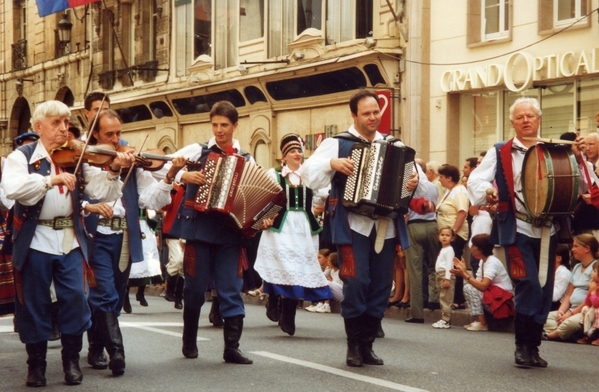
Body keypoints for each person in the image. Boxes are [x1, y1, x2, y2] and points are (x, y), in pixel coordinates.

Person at [1, 100, 131, 387]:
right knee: (34, 302)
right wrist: (50, 180)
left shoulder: (77, 155)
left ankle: (71, 361)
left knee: (76, 298)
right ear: (38, 127)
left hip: (70, 239)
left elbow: (103, 191)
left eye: (66, 123)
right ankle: (36, 365)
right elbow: (13, 190)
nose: (64, 129)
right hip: (36, 239)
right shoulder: (21, 158)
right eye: (56, 123)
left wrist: (113, 171)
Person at [300, 89, 422, 367]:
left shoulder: (395, 145)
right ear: (354, 115)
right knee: (356, 284)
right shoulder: (339, 143)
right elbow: (308, 173)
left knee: (380, 287)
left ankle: (367, 345)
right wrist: (332, 163)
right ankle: (353, 346)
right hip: (353, 226)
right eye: (366, 113)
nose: (372, 117)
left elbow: (418, 182)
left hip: (385, 227)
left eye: (375, 112)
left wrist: (413, 183)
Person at [83, 109, 186, 375]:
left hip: (124, 236)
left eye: (118, 133)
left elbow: (151, 199)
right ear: (95, 134)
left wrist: (170, 173)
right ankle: (117, 351)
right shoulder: (85, 159)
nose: (116, 140)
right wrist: (113, 166)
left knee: (115, 297)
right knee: (103, 293)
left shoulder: (129, 160)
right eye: (109, 134)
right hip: (95, 236)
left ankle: (96, 346)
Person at [468, 97, 563, 367]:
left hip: (548, 229)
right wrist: (491, 194)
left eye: (530, 116)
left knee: (544, 290)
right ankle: (521, 347)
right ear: (512, 122)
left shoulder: (554, 149)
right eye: (520, 117)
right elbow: (476, 179)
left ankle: (533, 347)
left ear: (539, 119)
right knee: (528, 284)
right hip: (516, 228)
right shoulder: (500, 150)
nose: (525, 120)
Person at [170, 101, 264, 365]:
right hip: (200, 230)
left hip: (230, 234)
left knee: (230, 289)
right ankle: (189, 339)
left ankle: (231, 348)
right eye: (215, 125)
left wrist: (259, 218)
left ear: (235, 126)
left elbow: (253, 194)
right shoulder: (196, 151)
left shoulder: (246, 158)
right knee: (195, 289)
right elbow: (169, 172)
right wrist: (182, 177)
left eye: (224, 125)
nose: (219, 130)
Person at [254, 133, 330, 335]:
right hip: (281, 226)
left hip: (304, 228)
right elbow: (266, 200)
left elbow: (321, 198)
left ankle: (287, 312)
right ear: (283, 157)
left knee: (298, 268)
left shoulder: (309, 175)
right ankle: (275, 300)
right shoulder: (275, 174)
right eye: (292, 151)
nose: (297, 154)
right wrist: (266, 219)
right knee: (283, 266)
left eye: (299, 151)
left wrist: (320, 203)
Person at [452, 233, 513, 331]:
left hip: (502, 302)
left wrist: (464, 274)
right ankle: (479, 321)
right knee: (469, 288)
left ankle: (482, 323)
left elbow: (483, 286)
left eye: (473, 245)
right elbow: (477, 283)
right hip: (494, 297)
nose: (471, 248)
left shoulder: (492, 262)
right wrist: (464, 271)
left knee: (468, 288)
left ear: (480, 249)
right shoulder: (483, 261)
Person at [403, 158, 439, 323]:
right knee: (435, 265)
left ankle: (417, 312)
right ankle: (435, 299)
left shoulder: (408, 185)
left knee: (415, 271)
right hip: (432, 225)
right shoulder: (432, 187)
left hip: (414, 226)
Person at [544, 234, 598, 342]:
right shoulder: (577, 267)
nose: (573, 249)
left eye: (576, 246)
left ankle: (551, 334)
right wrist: (561, 312)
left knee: (569, 324)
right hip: (571, 309)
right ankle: (568, 333)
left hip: (585, 311)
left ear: (587, 248)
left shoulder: (596, 268)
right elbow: (569, 294)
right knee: (543, 318)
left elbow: (590, 298)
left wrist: (571, 314)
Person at [436, 164, 469, 310]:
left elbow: (462, 212)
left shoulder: (459, 191)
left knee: (454, 265)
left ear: (449, 178)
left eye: (441, 177)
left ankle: (458, 299)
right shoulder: (450, 191)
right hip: (448, 234)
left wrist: (453, 232)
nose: (439, 179)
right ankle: (453, 297)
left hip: (455, 235)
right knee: (449, 264)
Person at [432, 227, 456, 329]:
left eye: (447, 235)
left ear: (452, 238)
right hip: (440, 275)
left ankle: (446, 320)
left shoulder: (449, 249)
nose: (444, 237)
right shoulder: (443, 249)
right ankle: (444, 319)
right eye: (442, 235)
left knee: (446, 298)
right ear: (438, 236)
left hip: (445, 275)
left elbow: (449, 264)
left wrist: (447, 278)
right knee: (442, 297)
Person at [577, 262, 599, 345]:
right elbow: (588, 303)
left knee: (598, 311)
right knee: (585, 309)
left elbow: (597, 303)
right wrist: (590, 290)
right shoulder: (595, 285)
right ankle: (588, 334)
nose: (592, 273)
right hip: (594, 309)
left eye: (595, 271)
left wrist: (593, 291)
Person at [551, 244, 572, 311]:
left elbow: (555, 297)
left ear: (559, 258)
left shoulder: (564, 273)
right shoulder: (553, 270)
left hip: (558, 306)